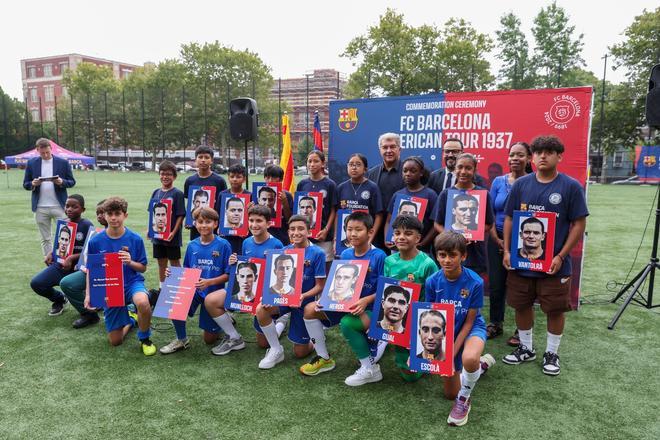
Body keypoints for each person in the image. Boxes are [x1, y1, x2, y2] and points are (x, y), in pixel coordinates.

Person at [502, 135, 588, 376]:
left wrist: (560, 255)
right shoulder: (521, 184)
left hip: (554, 264)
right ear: (532, 157)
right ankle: (526, 348)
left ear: (559, 156)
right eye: (538, 152)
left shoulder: (570, 186)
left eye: (549, 152)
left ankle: (552, 353)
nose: (542, 156)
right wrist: (508, 250)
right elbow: (509, 218)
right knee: (521, 304)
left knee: (555, 309)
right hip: (522, 262)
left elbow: (579, 224)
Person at [425, 231, 496, 427]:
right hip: (445, 332)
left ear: (463, 256)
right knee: (449, 394)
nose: (447, 260)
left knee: (469, 358)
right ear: (437, 256)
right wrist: (419, 351)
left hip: (470, 327)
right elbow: (429, 318)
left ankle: (464, 399)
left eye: (452, 255)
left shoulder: (475, 282)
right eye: (442, 255)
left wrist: (449, 354)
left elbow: (468, 322)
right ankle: (479, 368)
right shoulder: (432, 281)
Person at [204, 205, 285, 357]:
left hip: (265, 295)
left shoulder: (276, 244)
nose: (254, 224)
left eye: (259, 221)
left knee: (263, 344)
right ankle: (234, 337)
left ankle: (280, 323)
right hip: (247, 290)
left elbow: (279, 276)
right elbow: (246, 265)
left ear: (268, 223)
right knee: (211, 300)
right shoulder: (247, 242)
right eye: (251, 220)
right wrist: (234, 261)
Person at [84, 197, 156, 356]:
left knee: (143, 302)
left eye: (118, 213)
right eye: (110, 214)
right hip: (110, 288)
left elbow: (142, 268)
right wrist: (89, 294)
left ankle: (145, 338)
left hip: (131, 283)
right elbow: (91, 270)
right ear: (104, 215)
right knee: (115, 341)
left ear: (125, 215)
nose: (114, 217)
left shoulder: (135, 239)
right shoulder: (95, 241)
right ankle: (131, 319)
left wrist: (130, 262)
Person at [255, 215, 326, 370]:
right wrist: (268, 297)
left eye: (301, 229)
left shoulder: (317, 253)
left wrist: (304, 296)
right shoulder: (283, 251)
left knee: (300, 353)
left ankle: (315, 334)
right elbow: (272, 280)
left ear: (309, 232)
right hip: (284, 299)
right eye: (292, 229)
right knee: (261, 309)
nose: (296, 232)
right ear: (288, 232)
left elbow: (320, 286)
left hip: (304, 303)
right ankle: (276, 349)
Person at [159, 207, 233, 355]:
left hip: (213, 294)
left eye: (208, 222)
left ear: (216, 224)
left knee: (209, 339)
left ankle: (222, 315)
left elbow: (229, 275)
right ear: (195, 223)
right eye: (200, 222)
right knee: (174, 301)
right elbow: (186, 271)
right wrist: (172, 274)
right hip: (193, 290)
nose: (204, 225)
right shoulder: (192, 245)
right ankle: (182, 339)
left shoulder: (223, 245)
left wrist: (209, 282)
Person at [486, 141, 532, 344]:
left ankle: (520, 330)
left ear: (529, 158)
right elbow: (489, 212)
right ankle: (496, 323)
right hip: (495, 238)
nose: (515, 158)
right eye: (512, 154)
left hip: (523, 241)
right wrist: (495, 238)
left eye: (520, 155)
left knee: (521, 286)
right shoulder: (498, 182)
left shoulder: (534, 182)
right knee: (496, 285)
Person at [384, 215, 438, 382]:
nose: (401, 237)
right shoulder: (389, 261)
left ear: (418, 238)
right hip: (398, 319)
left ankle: (426, 354)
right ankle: (395, 348)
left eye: (407, 233)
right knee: (407, 374)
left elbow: (435, 299)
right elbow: (385, 292)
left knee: (412, 375)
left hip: (420, 319)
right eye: (397, 233)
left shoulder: (427, 264)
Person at [338, 212, 386, 386]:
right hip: (352, 305)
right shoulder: (345, 255)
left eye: (358, 229)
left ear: (370, 232)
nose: (353, 234)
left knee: (347, 323)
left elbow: (385, 290)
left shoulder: (379, 256)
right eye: (349, 229)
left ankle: (369, 369)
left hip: (375, 308)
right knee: (313, 310)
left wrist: (366, 300)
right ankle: (322, 356)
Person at [30, 194, 93, 316]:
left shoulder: (86, 225)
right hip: (61, 266)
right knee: (36, 283)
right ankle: (60, 299)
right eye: (67, 206)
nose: (69, 209)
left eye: (74, 207)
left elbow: (90, 250)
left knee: (75, 287)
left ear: (82, 210)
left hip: (79, 269)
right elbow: (59, 245)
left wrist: (72, 258)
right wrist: (50, 253)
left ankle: (89, 308)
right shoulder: (63, 223)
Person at [433, 153, 495, 276]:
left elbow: (489, 223)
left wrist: (473, 234)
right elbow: (437, 224)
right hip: (450, 252)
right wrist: (451, 237)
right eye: (460, 167)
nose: (463, 171)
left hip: (475, 254)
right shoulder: (446, 194)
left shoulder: (483, 194)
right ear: (455, 169)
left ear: (475, 170)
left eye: (468, 168)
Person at [23, 138, 76, 256]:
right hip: (40, 207)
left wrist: (61, 182)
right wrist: (33, 184)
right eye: (42, 153)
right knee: (45, 239)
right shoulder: (31, 163)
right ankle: (50, 264)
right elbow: (25, 184)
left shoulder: (63, 162)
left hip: (60, 206)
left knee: (65, 237)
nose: (46, 155)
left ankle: (64, 261)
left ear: (51, 149)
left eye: (47, 152)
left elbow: (72, 182)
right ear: (37, 150)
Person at [60, 199, 107, 328]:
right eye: (98, 213)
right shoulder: (96, 233)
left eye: (103, 213)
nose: (99, 216)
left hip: (112, 275)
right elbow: (86, 256)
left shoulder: (123, 234)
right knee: (67, 283)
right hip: (92, 272)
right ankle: (89, 314)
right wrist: (82, 265)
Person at [385, 156, 437, 252]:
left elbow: (435, 224)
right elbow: (389, 221)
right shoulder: (397, 194)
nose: (408, 174)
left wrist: (423, 243)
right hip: (397, 249)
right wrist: (387, 238)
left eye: (413, 171)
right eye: (405, 171)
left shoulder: (430, 195)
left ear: (421, 173)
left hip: (420, 250)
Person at [148, 160, 185, 296]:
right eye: (162, 174)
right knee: (161, 262)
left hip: (171, 236)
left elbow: (181, 215)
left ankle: (177, 288)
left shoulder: (177, 193)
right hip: (158, 236)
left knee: (174, 262)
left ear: (174, 176)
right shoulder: (156, 192)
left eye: (168, 174)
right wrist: (149, 230)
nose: (165, 177)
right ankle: (162, 288)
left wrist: (173, 232)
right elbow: (152, 213)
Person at [297, 150, 337, 264]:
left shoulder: (330, 184)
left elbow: (334, 210)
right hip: (305, 237)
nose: (312, 164)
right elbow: (298, 210)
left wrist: (326, 230)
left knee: (324, 267)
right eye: (309, 161)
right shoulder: (302, 184)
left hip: (323, 236)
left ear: (323, 163)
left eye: (316, 161)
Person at [335, 153, 384, 247]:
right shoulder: (341, 187)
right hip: (346, 239)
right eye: (351, 164)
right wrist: (336, 238)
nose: (354, 167)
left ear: (365, 169)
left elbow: (379, 216)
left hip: (367, 239)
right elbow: (337, 215)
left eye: (358, 164)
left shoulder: (372, 187)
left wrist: (370, 238)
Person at [367, 133, 405, 250]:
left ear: (400, 149)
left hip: (400, 232)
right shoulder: (371, 174)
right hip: (375, 231)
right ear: (380, 150)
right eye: (385, 147)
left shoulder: (409, 172)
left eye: (392, 147)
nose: (388, 150)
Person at [184, 145, 227, 240]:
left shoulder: (219, 181)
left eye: (206, 157)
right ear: (196, 160)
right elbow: (189, 203)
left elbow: (223, 205)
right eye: (200, 157)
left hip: (212, 225)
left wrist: (220, 224)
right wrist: (188, 220)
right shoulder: (190, 180)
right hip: (196, 224)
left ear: (211, 160)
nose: (203, 160)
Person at [219, 164, 251, 254]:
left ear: (244, 179)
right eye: (232, 176)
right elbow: (218, 214)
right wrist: (219, 227)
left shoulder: (249, 195)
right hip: (225, 236)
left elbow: (252, 217)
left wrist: (246, 229)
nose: (235, 179)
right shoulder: (222, 195)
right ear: (228, 178)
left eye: (238, 177)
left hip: (243, 237)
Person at [264, 164, 294, 246]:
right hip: (263, 236)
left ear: (280, 179)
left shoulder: (287, 195)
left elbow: (290, 220)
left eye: (273, 177)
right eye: (267, 177)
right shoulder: (258, 193)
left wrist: (284, 202)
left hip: (281, 237)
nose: (270, 180)